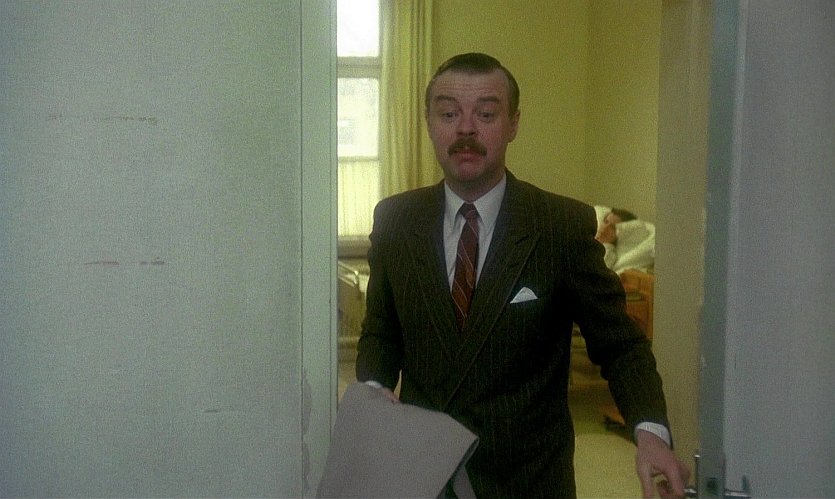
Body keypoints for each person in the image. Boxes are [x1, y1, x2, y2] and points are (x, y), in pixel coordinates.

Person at [355, 52, 689, 498]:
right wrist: (372, 394)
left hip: (526, 482)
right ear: (429, 122)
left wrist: (650, 432)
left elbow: (621, 345)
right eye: (449, 114)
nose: (466, 129)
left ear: (513, 123)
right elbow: (381, 332)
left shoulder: (558, 226)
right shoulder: (397, 220)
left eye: (486, 114)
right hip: (424, 476)